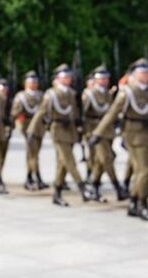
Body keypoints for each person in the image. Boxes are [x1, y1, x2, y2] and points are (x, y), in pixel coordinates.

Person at [90, 59, 148, 221]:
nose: (147, 76)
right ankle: (142, 205)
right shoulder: (127, 92)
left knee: (140, 171)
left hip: (147, 133)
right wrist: (97, 134)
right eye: (143, 73)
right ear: (134, 75)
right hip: (134, 135)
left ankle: (133, 203)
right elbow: (112, 113)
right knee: (143, 171)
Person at [27, 64, 96, 206]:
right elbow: (41, 112)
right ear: (58, 78)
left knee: (62, 164)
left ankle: (57, 193)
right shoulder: (51, 94)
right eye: (65, 77)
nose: (68, 79)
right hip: (57, 130)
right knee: (69, 160)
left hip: (70, 130)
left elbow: (75, 113)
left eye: (69, 77)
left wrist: (79, 128)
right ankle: (83, 188)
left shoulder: (71, 93)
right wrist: (32, 130)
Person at [83, 65, 128, 202]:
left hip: (108, 131)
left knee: (101, 160)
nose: (104, 81)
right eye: (101, 79)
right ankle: (117, 188)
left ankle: (93, 186)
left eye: (106, 78)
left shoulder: (107, 94)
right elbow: (82, 114)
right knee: (107, 159)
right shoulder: (89, 94)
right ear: (96, 80)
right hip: (95, 131)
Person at [11, 71, 48, 190]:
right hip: (27, 126)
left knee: (34, 152)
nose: (34, 84)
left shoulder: (41, 95)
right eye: (31, 82)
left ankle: (30, 177)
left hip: (39, 127)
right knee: (33, 153)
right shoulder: (21, 96)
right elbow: (14, 112)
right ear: (25, 84)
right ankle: (37, 177)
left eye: (35, 82)